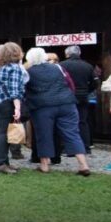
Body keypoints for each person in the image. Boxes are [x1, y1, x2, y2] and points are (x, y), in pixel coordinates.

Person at [24, 48, 91, 176]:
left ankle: (44, 165)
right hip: (67, 104)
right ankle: (83, 165)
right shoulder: (58, 68)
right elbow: (70, 83)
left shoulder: (28, 72)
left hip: (42, 107)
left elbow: (25, 90)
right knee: (72, 133)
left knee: (44, 135)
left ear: (29, 59)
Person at [0, 42, 25, 174]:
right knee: (5, 133)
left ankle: (5, 161)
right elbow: (14, 90)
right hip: (5, 103)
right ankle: (0, 163)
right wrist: (18, 108)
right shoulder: (15, 67)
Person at [60, 45, 97, 153]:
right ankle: (86, 147)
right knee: (82, 122)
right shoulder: (88, 66)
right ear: (79, 53)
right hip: (83, 97)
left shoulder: (62, 65)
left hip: (67, 97)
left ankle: (66, 148)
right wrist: (86, 91)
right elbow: (95, 83)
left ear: (67, 54)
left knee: (66, 122)